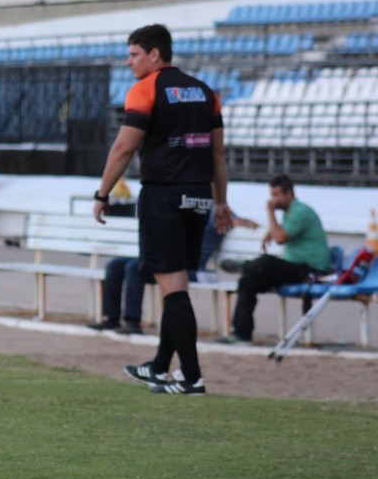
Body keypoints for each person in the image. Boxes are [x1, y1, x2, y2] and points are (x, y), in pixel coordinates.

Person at [93, 24, 232, 396]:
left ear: (154, 54)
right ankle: (158, 366)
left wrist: (102, 193)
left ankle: (191, 376)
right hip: (199, 197)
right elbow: (218, 154)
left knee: (173, 290)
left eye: (134, 54)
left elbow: (123, 147)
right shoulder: (206, 93)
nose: (129, 63)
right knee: (177, 285)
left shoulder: (145, 89)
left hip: (164, 196)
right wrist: (220, 202)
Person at [88, 212, 258, 335]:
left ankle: (132, 322)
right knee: (114, 266)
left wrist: (238, 221)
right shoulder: (179, 201)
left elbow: (231, 218)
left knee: (134, 268)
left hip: (185, 266)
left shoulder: (213, 209)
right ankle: (110, 318)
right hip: (160, 257)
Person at [215, 174, 331, 345]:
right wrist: (272, 230)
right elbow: (282, 232)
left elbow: (280, 238)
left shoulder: (301, 211)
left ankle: (244, 265)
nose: (272, 200)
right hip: (293, 268)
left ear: (289, 194)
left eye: (276, 195)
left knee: (267, 262)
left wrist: (270, 212)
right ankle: (241, 334)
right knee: (247, 281)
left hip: (310, 270)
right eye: (271, 196)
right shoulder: (289, 213)